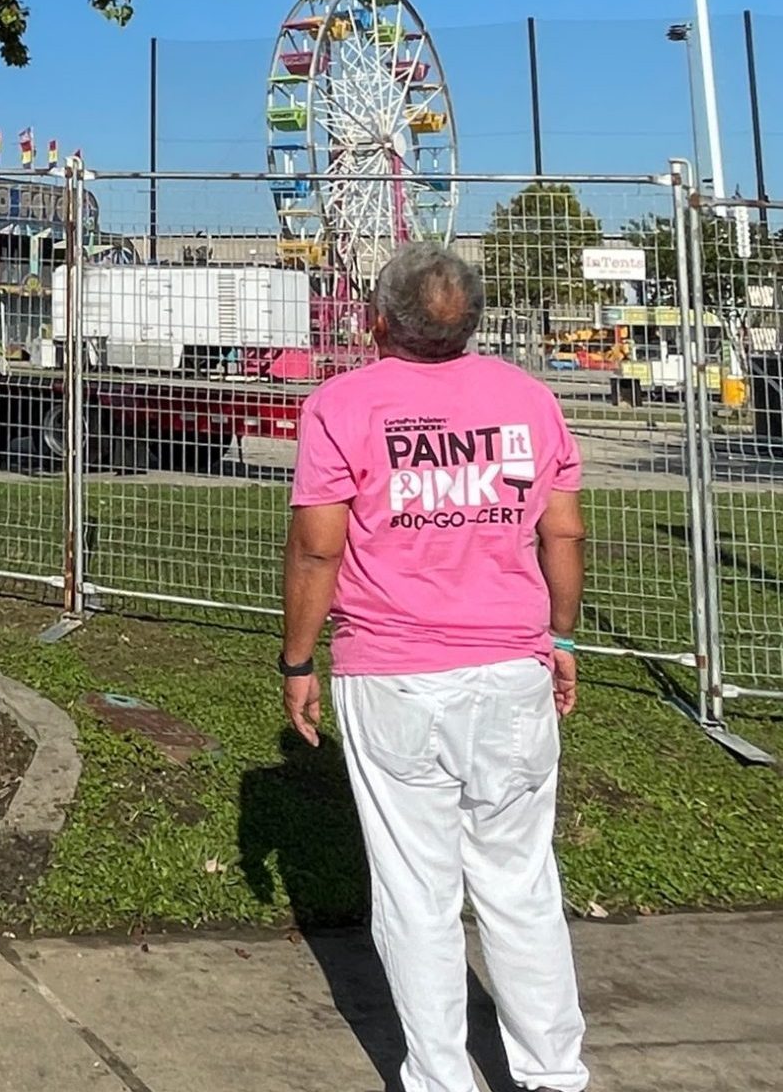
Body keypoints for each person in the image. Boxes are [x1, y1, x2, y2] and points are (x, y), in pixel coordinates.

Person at [281, 243, 589, 1092]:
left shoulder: (342, 406)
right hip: (512, 668)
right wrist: (559, 638)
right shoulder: (529, 401)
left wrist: (298, 658)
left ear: (377, 319)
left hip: (393, 674)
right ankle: (555, 1072)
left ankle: (442, 1078)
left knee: (417, 891)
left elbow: (316, 551)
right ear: (476, 323)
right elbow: (561, 532)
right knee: (520, 882)